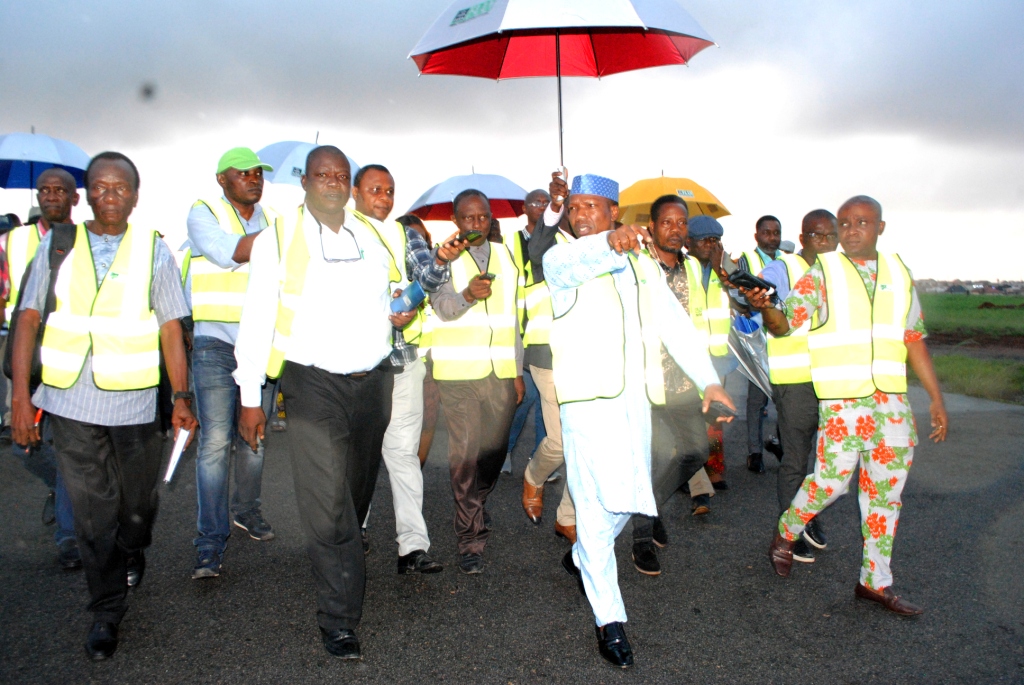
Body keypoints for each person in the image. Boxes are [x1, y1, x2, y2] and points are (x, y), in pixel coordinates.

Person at [11, 152, 197, 660]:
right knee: (93, 517)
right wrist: (20, 397)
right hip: (70, 400)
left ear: (135, 196)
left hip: (135, 404)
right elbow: (28, 318)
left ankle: (134, 546)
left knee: (135, 510)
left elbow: (170, 327)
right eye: (99, 187)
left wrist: (181, 396)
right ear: (86, 194)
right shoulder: (58, 244)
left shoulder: (151, 250)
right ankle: (106, 609)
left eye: (120, 188)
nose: (109, 196)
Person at [544, 174, 735, 668]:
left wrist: (709, 380)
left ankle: (588, 553)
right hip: (586, 405)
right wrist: (609, 242)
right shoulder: (561, 257)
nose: (581, 214)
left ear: (614, 212)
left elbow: (674, 324)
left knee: (630, 496)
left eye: (594, 208)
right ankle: (610, 622)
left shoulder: (642, 266)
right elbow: (583, 259)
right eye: (576, 207)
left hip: (635, 403)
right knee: (591, 504)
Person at [234, 146, 414, 660]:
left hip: (373, 380)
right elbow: (256, 318)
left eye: (341, 175)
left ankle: (341, 550)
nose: (333, 182)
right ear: (306, 181)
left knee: (355, 493)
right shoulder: (278, 238)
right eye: (322, 175)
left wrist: (402, 310)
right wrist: (251, 398)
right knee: (326, 496)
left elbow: (396, 296)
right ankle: (338, 617)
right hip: (312, 382)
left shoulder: (373, 234)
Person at [751, 195, 948, 616]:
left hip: (892, 405)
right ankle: (787, 529)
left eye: (861, 221)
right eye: (845, 223)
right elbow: (785, 323)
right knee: (832, 482)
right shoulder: (825, 272)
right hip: (844, 404)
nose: (852, 229)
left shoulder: (899, 273)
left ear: (880, 226)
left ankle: (874, 582)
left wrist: (935, 397)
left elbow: (913, 338)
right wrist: (766, 305)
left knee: (885, 498)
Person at [351, 163, 466, 574]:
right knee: (358, 455)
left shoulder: (404, 234)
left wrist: (440, 259)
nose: (383, 197)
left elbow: (427, 278)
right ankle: (354, 530)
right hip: (356, 367)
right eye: (375, 189)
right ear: (355, 192)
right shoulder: (340, 232)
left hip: (402, 361)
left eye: (389, 190)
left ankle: (412, 548)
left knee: (402, 454)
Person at [183, 147, 278, 580]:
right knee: (216, 443)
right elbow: (228, 253)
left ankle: (247, 510)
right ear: (223, 179)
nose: (254, 179)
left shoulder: (273, 218)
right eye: (244, 173)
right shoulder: (203, 213)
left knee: (254, 436)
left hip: (260, 346)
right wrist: (287, 235)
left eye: (258, 173)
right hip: (214, 345)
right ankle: (209, 540)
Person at [427, 189, 525, 575]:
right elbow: (443, 308)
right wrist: (467, 294)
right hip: (458, 374)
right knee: (465, 454)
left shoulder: (505, 256)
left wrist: (516, 372)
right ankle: (470, 536)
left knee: (494, 452)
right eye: (468, 219)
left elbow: (513, 320)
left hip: (499, 373)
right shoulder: (443, 257)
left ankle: (476, 502)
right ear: (455, 220)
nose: (476, 225)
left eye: (482, 217)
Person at [628, 194, 724, 576]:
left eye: (681, 222)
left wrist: (711, 380)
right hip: (645, 383)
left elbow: (700, 327)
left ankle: (650, 506)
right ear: (651, 227)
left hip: (685, 384)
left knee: (696, 451)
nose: (675, 228)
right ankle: (640, 538)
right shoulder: (635, 267)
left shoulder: (695, 271)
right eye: (666, 222)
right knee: (656, 457)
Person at [3, 168, 81, 569]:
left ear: (74, 198)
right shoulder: (15, 239)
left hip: (65, 355)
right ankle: (63, 488)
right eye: (45, 190)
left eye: (60, 190)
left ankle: (68, 535)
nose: (52, 196)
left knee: (66, 447)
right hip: (25, 353)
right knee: (22, 446)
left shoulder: (82, 239)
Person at [756, 209, 838, 564]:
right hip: (796, 379)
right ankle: (788, 532)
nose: (825, 243)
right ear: (803, 238)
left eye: (830, 236)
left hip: (830, 378)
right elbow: (754, 293)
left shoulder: (838, 272)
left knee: (826, 459)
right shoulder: (783, 268)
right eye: (817, 236)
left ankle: (807, 515)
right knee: (795, 458)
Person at [521, 174, 579, 543]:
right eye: (574, 207)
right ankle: (533, 477)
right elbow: (537, 250)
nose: (581, 214)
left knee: (582, 443)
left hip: (591, 357)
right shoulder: (550, 243)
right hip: (549, 356)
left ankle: (568, 516)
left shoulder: (606, 246)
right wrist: (554, 206)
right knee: (559, 442)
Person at [682, 216, 736, 488]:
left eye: (715, 240)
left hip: (718, 358)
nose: (710, 245)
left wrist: (723, 273)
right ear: (688, 242)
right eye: (704, 240)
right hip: (686, 358)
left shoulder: (727, 268)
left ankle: (714, 470)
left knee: (715, 416)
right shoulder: (678, 268)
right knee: (689, 417)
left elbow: (742, 303)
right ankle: (691, 475)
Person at [501, 189, 550, 474]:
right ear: (524, 208)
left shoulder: (559, 239)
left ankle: (541, 460)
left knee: (547, 400)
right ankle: (504, 450)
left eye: (546, 202)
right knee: (525, 397)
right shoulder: (511, 240)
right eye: (536, 202)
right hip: (520, 326)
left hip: (547, 329)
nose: (542, 207)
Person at [736, 215, 784, 474]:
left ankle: (780, 443)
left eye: (776, 233)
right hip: (756, 337)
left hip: (782, 337)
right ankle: (754, 452)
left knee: (785, 399)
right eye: (767, 233)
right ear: (757, 236)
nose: (772, 238)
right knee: (757, 400)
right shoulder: (746, 261)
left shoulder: (788, 260)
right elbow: (736, 294)